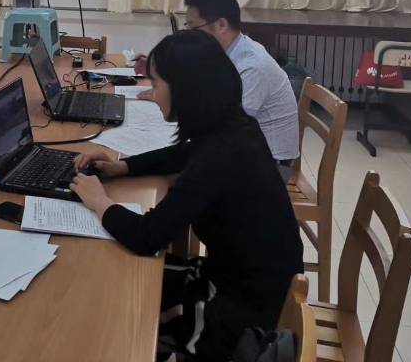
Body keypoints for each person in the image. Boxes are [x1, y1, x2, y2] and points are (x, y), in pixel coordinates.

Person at [71, 32, 303, 361]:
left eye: (157, 83)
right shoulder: (234, 128)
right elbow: (184, 154)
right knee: (122, 284)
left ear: (185, 90)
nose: (152, 93)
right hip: (252, 281)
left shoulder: (218, 158)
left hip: (243, 311)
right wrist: (123, 166)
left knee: (122, 307)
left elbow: (147, 236)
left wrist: (100, 201)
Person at [135, 0, 300, 173]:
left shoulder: (252, 67)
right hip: (236, 150)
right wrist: (160, 75)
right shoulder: (222, 54)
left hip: (270, 164)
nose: (190, 36)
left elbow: (220, 125)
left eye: (194, 28)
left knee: (159, 178)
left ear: (221, 25)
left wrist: (168, 97)